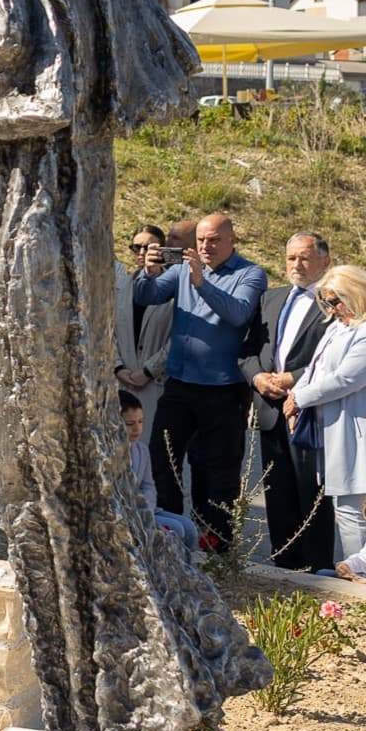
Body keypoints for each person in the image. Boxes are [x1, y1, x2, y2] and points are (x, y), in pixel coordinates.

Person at [133, 212, 267, 542]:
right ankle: (169, 532)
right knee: (161, 459)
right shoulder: (181, 269)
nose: (206, 246)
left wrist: (201, 283)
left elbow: (237, 314)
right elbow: (146, 296)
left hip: (222, 390)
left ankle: (216, 542)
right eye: (202, 240)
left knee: (218, 471)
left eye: (215, 240)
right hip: (179, 383)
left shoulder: (250, 274)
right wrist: (149, 274)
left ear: (233, 240)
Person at [282, 265, 366, 563]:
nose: (331, 309)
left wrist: (299, 398)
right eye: (326, 302)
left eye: (335, 301)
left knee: (362, 514)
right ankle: (359, 574)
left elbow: (348, 378)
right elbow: (316, 370)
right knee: (347, 510)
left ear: (358, 294)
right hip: (339, 433)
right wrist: (295, 396)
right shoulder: (340, 328)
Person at [240, 232, 334, 568]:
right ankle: (284, 563)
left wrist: (293, 378)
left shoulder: (334, 303)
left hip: (309, 412)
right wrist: (257, 377)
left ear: (325, 261)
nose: (297, 264)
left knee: (312, 495)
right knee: (277, 492)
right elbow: (248, 350)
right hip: (269, 409)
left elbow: (337, 358)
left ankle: (317, 567)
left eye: (305, 257)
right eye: (291, 257)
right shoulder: (271, 298)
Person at [121, 390, 198, 547]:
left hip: (146, 508)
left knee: (189, 528)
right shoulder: (111, 453)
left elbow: (148, 486)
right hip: (125, 511)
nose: (136, 428)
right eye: (130, 424)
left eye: (140, 422)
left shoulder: (142, 450)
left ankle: (185, 567)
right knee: (176, 529)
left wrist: (146, 507)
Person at [117, 224, 173, 421]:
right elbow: (106, 332)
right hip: (122, 382)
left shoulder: (176, 287)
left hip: (156, 383)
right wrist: (118, 368)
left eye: (149, 248)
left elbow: (179, 336)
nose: (142, 253)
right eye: (136, 247)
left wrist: (149, 371)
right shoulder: (119, 287)